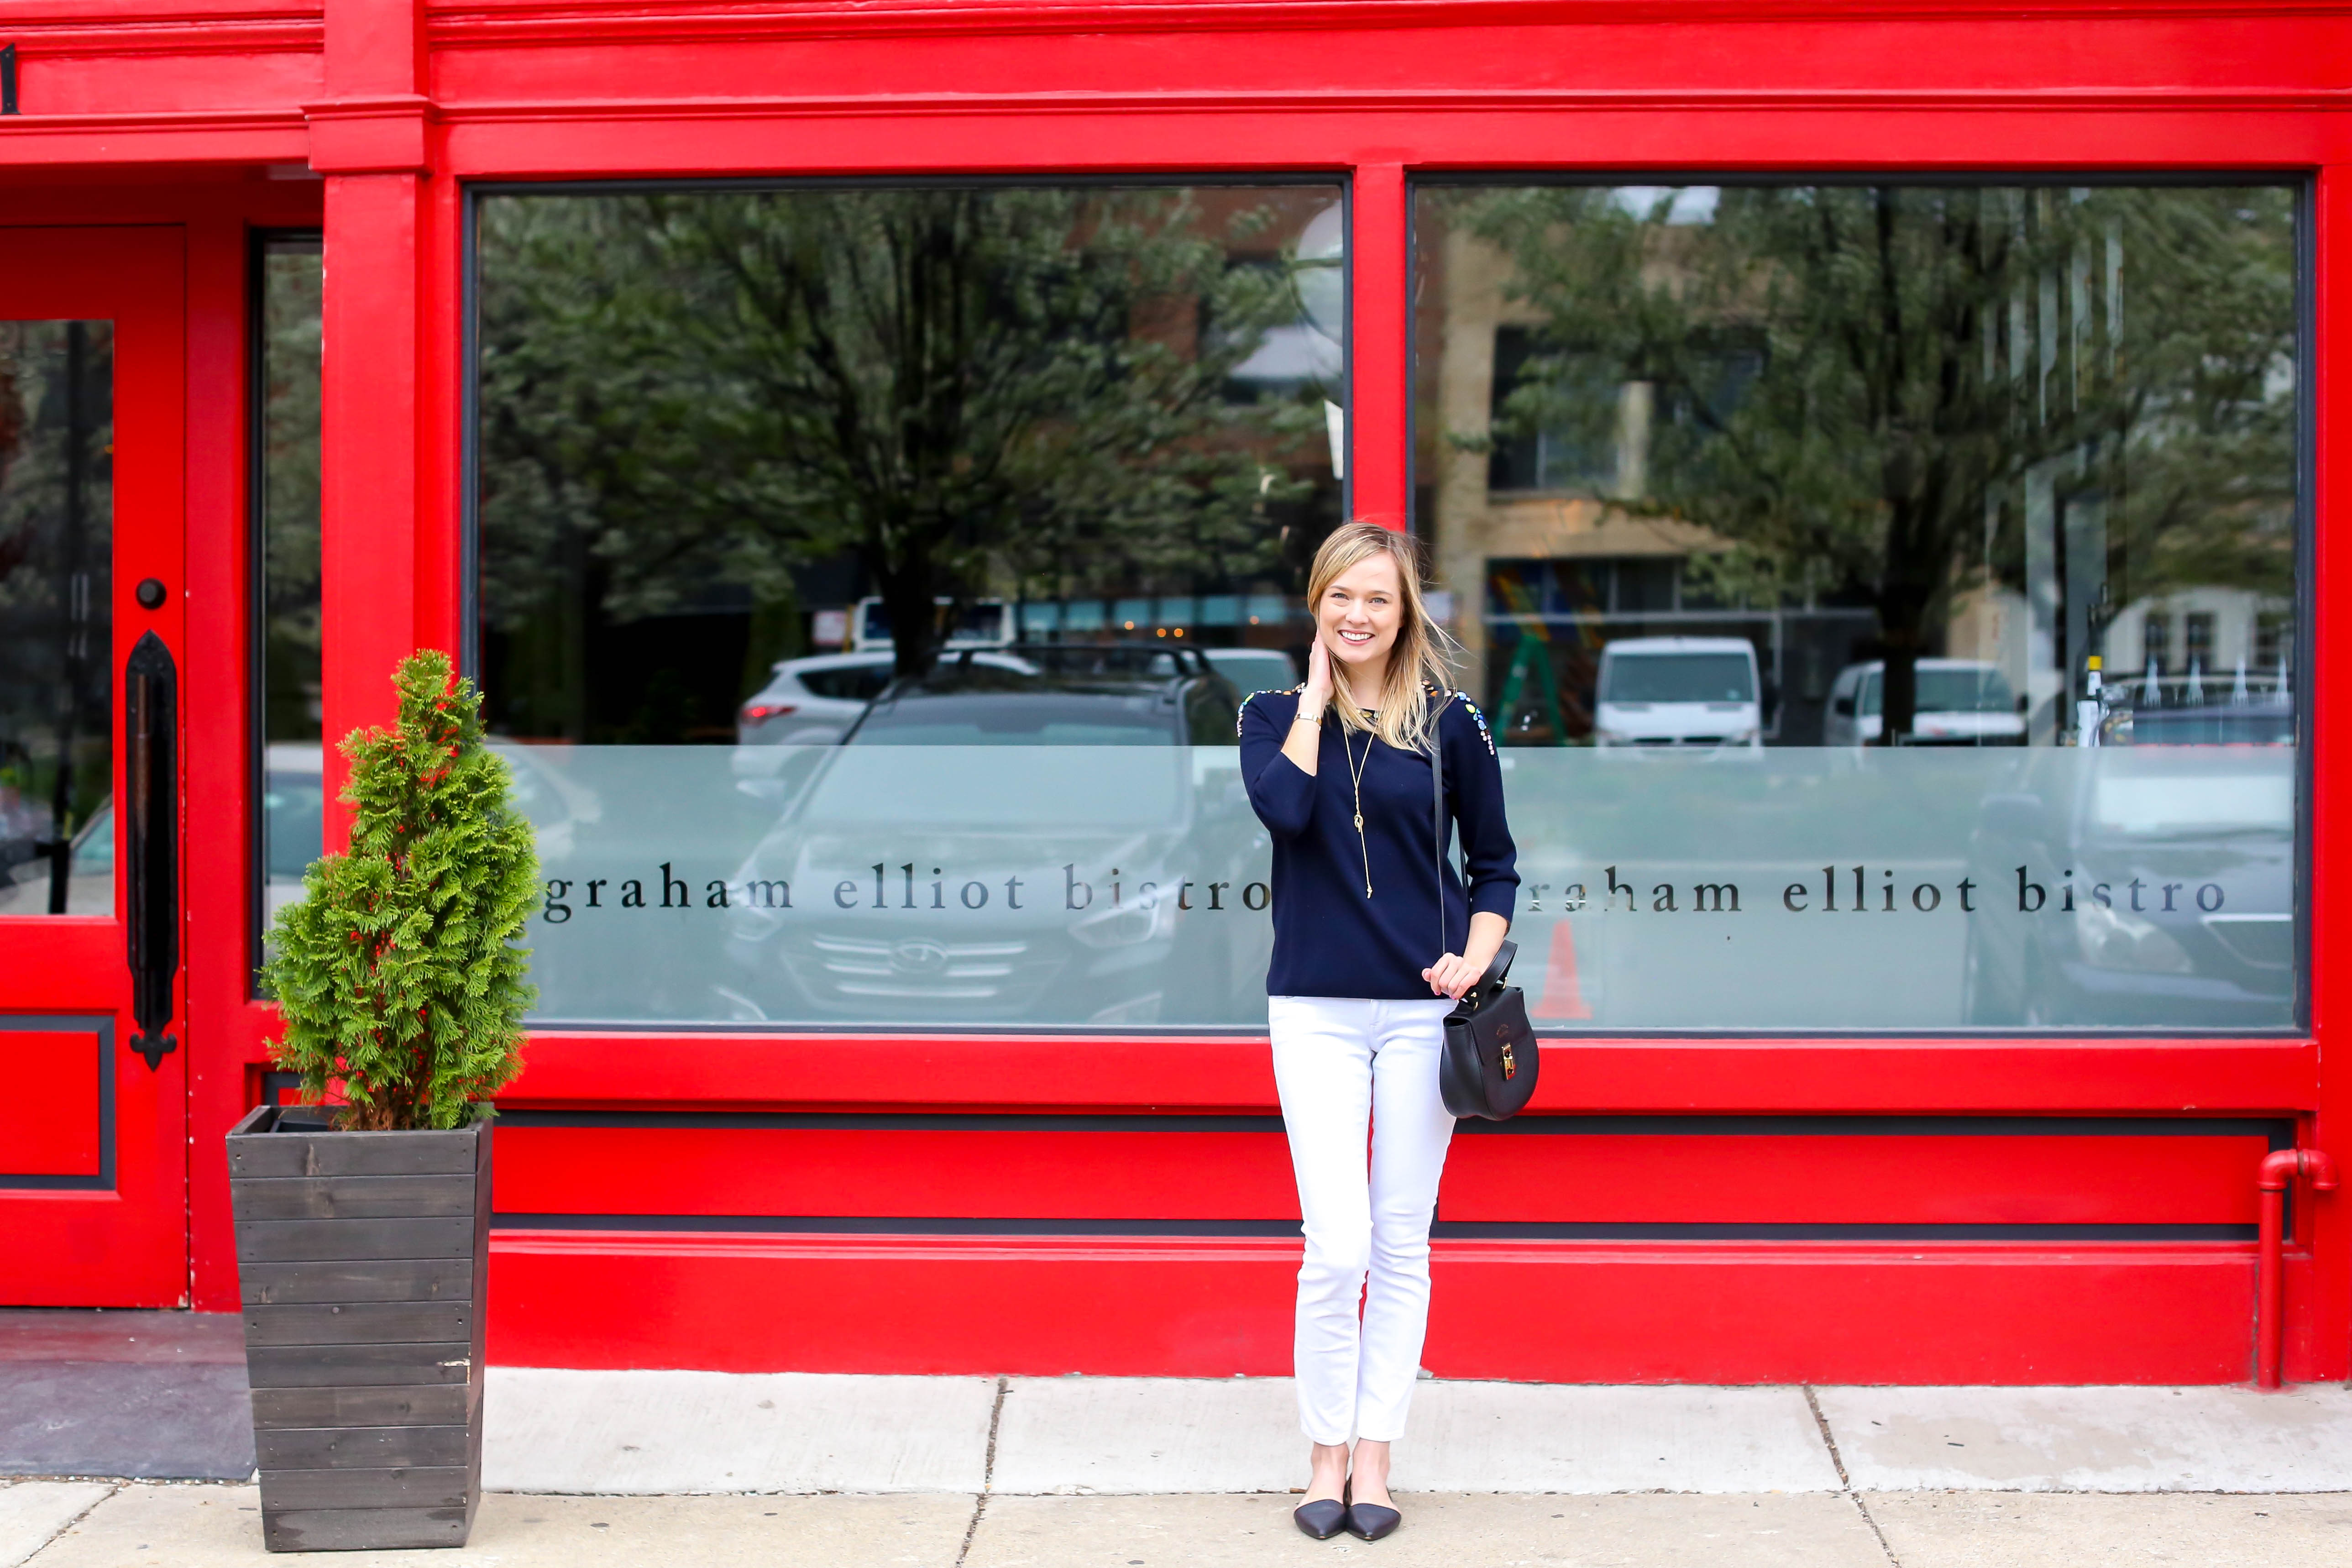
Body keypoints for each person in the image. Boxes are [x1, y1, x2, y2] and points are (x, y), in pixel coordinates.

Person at [1237, 522, 1519, 1542]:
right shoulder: (1270, 714)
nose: (1359, 615)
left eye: (1379, 601)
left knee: (1401, 1239)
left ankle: (1376, 1454)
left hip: (1420, 1009)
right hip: (1312, 1006)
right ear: (1316, 603)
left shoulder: (1452, 723)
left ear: (1407, 616)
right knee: (1336, 1243)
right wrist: (1317, 695)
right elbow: (1287, 813)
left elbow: (1495, 866)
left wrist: (1476, 957)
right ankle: (1322, 1449)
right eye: (1341, 597)